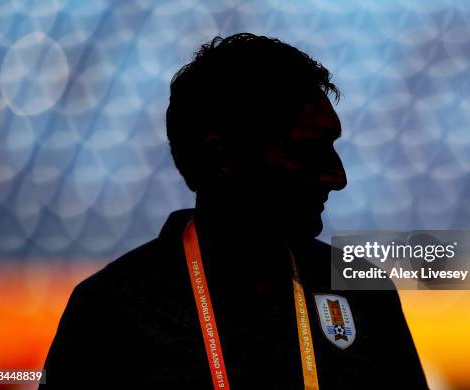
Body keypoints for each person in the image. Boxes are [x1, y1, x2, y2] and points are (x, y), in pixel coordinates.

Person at [41, 33, 427, 389]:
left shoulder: (363, 290)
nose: (337, 177)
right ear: (221, 156)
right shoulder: (112, 311)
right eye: (309, 149)